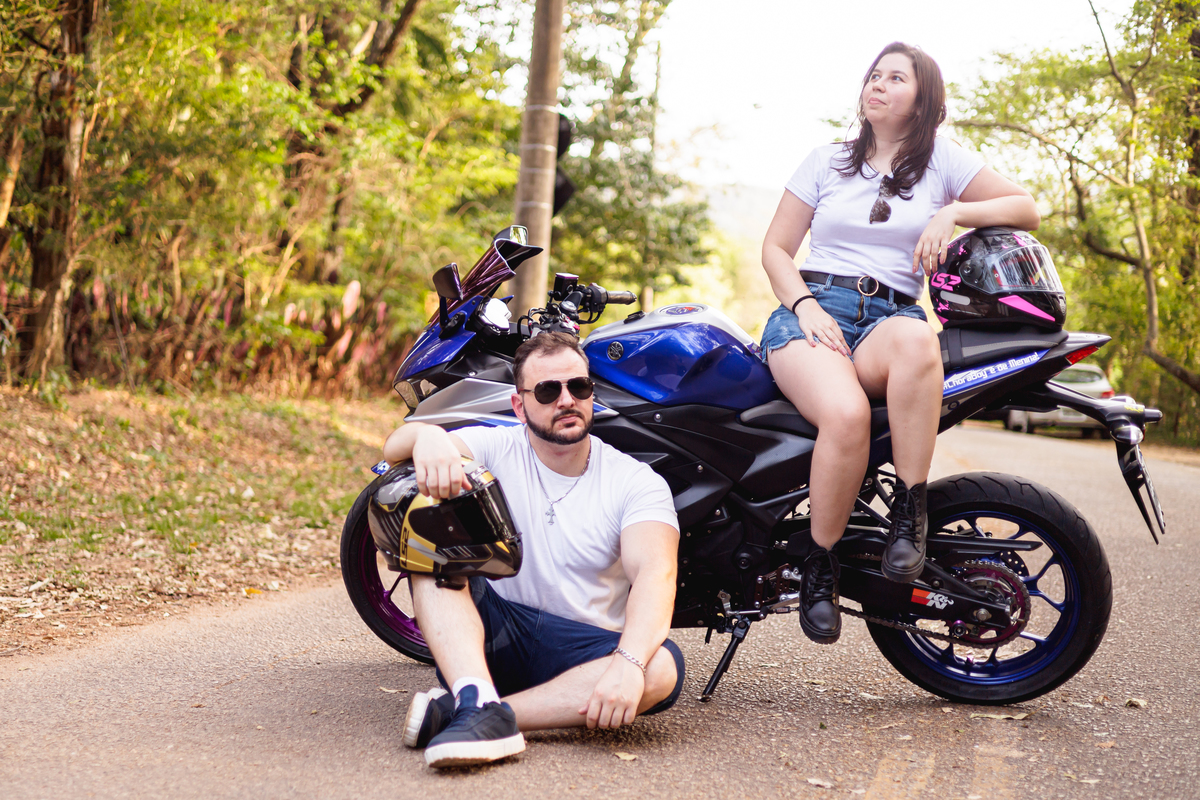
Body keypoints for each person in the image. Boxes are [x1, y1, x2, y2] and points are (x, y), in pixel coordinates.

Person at [759, 42, 1039, 645]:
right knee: (846, 413)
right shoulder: (826, 160)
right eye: (874, 75)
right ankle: (820, 566)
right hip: (812, 310)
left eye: (896, 77)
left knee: (918, 342)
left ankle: (909, 519)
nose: (878, 84)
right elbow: (775, 249)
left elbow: (1027, 207)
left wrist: (956, 213)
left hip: (889, 314)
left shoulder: (941, 162)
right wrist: (804, 307)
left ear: (922, 98)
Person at [381, 332, 684, 769]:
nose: (567, 400)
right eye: (547, 390)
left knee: (660, 668)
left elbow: (657, 576)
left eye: (578, 387)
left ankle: (483, 711)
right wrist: (428, 436)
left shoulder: (635, 481)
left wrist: (627, 664)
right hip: (492, 632)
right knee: (429, 552)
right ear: (519, 405)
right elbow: (393, 446)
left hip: (583, 656)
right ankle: (475, 691)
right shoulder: (495, 447)